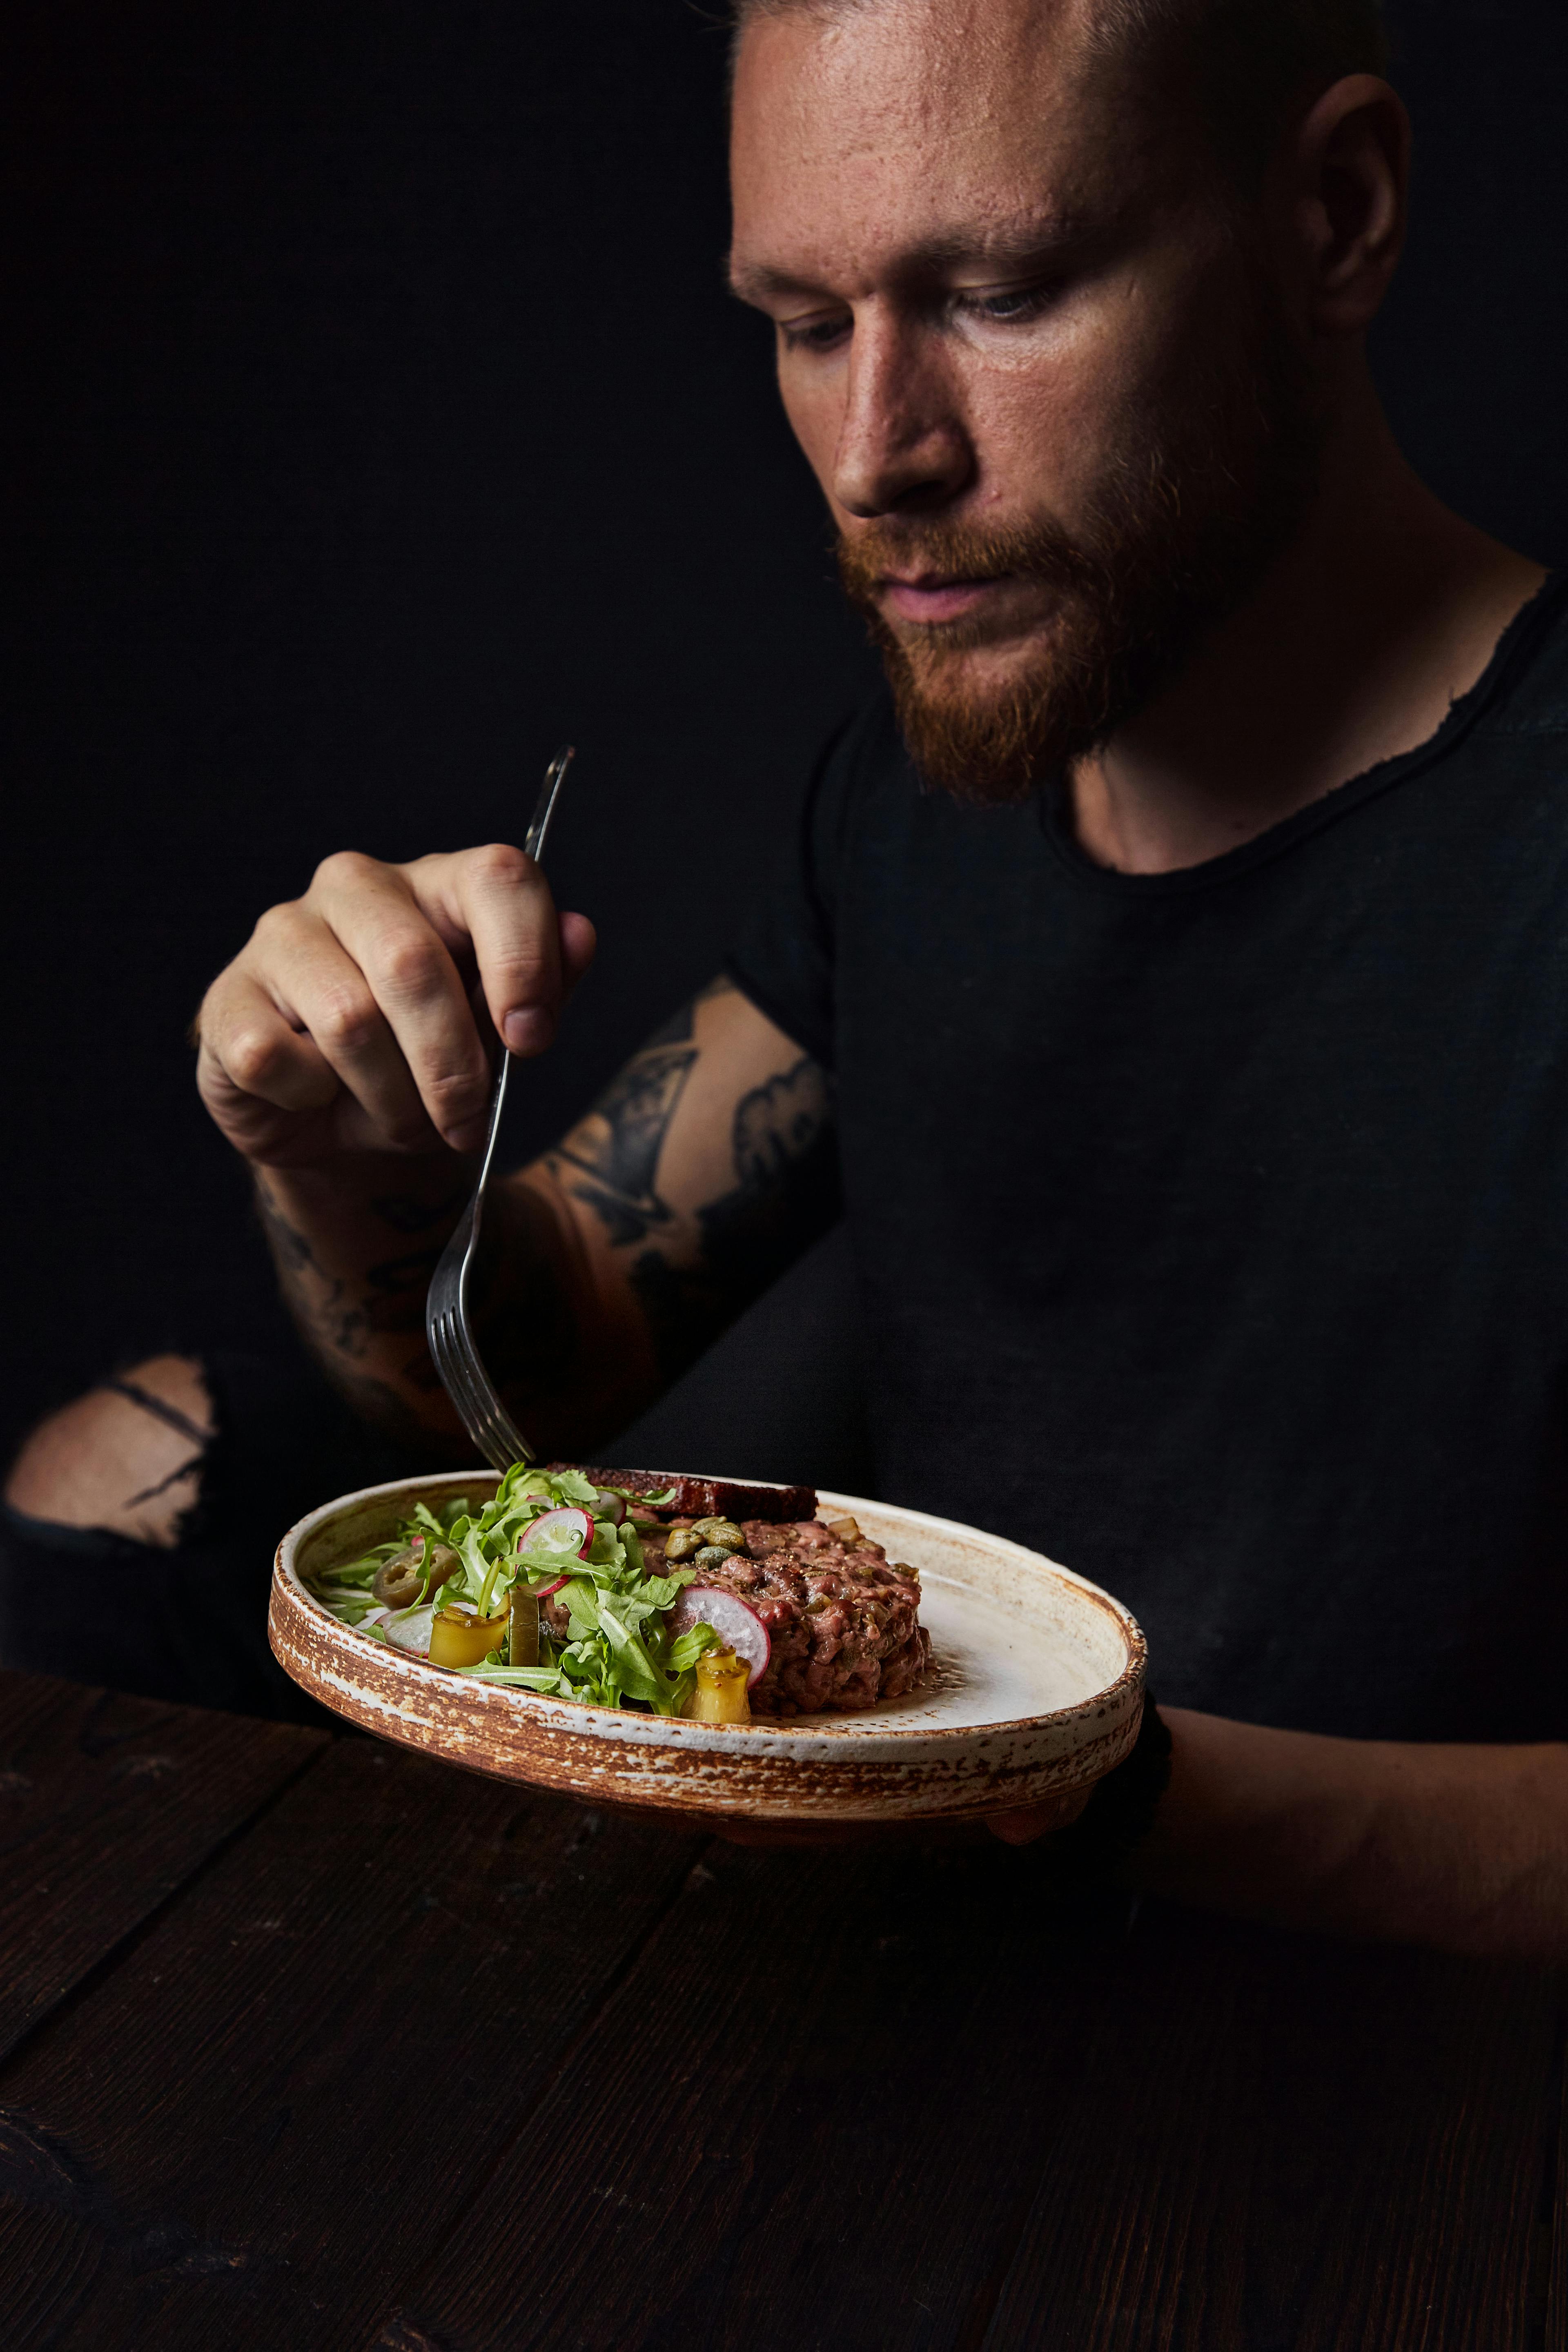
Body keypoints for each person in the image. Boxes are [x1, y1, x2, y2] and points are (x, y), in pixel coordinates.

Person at [9, 0, 1568, 1956]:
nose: (872, 453)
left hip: (1355, 2117)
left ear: (1336, 211)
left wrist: (1078, 1786)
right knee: (117, 1461)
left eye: (1000, 292)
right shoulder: (928, 799)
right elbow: (522, 1374)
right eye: (806, 322)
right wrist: (340, 1151)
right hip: (865, 1979)